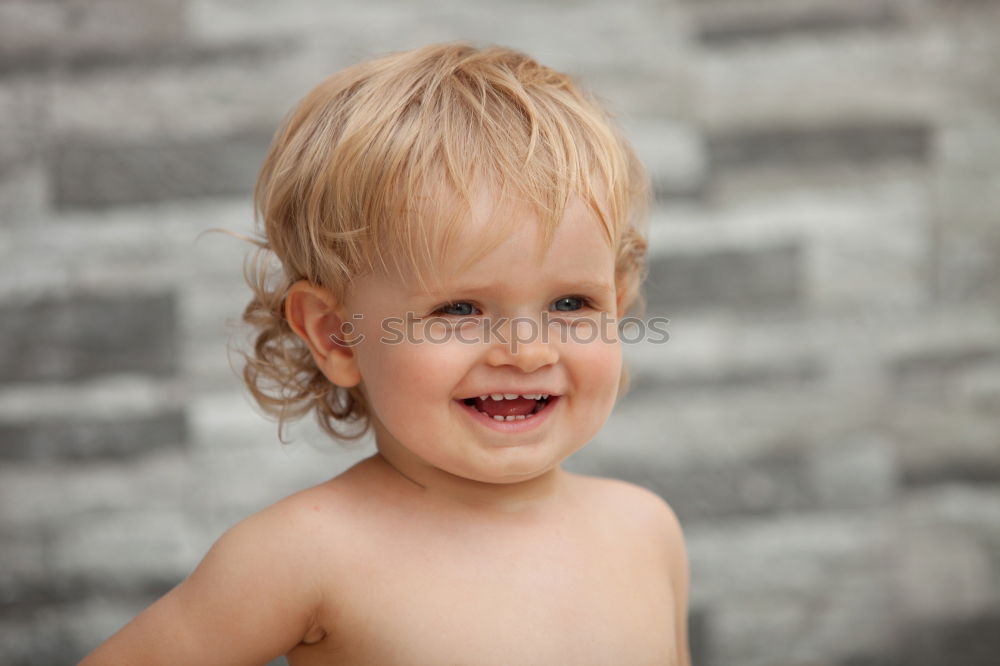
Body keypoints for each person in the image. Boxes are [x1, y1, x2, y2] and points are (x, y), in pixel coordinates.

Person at [79, 42, 690, 665]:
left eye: (570, 306)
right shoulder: (305, 556)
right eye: (459, 310)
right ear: (336, 335)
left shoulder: (645, 531)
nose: (526, 352)